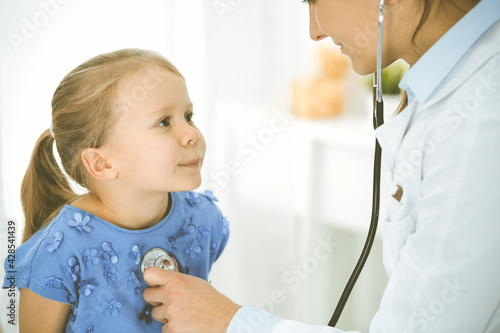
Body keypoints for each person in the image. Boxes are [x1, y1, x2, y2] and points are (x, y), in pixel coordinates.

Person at [141, 0, 500, 332]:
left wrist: (229, 322)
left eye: (313, 1)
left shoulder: (482, 117)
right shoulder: (448, 88)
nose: (314, 31)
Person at [2, 48, 229, 332]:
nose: (192, 134)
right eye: (163, 122)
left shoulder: (203, 218)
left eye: (188, 115)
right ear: (102, 162)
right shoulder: (57, 255)